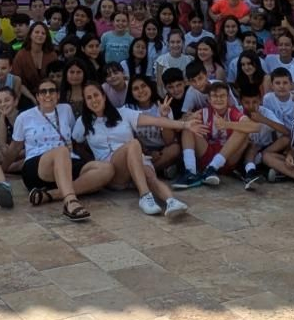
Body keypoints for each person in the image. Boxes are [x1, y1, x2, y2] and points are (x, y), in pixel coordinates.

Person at [72, 82, 196, 217]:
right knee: (133, 144)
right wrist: (91, 162)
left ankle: (171, 201)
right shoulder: (82, 122)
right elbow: (75, 144)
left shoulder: (124, 113)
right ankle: (144, 195)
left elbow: (155, 121)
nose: (94, 100)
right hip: (113, 170)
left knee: (151, 177)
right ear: (85, 102)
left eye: (96, 95)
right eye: (89, 98)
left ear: (104, 96)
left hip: (136, 160)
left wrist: (185, 125)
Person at [13, 79, 112, 221]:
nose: (48, 95)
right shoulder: (24, 117)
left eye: (52, 91)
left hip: (67, 161)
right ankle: (70, 202)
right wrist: (4, 167)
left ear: (58, 95)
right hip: (38, 165)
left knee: (107, 169)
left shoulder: (66, 109)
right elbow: (15, 146)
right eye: (43, 92)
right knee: (61, 150)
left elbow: (72, 136)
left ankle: (51, 195)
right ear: (37, 96)